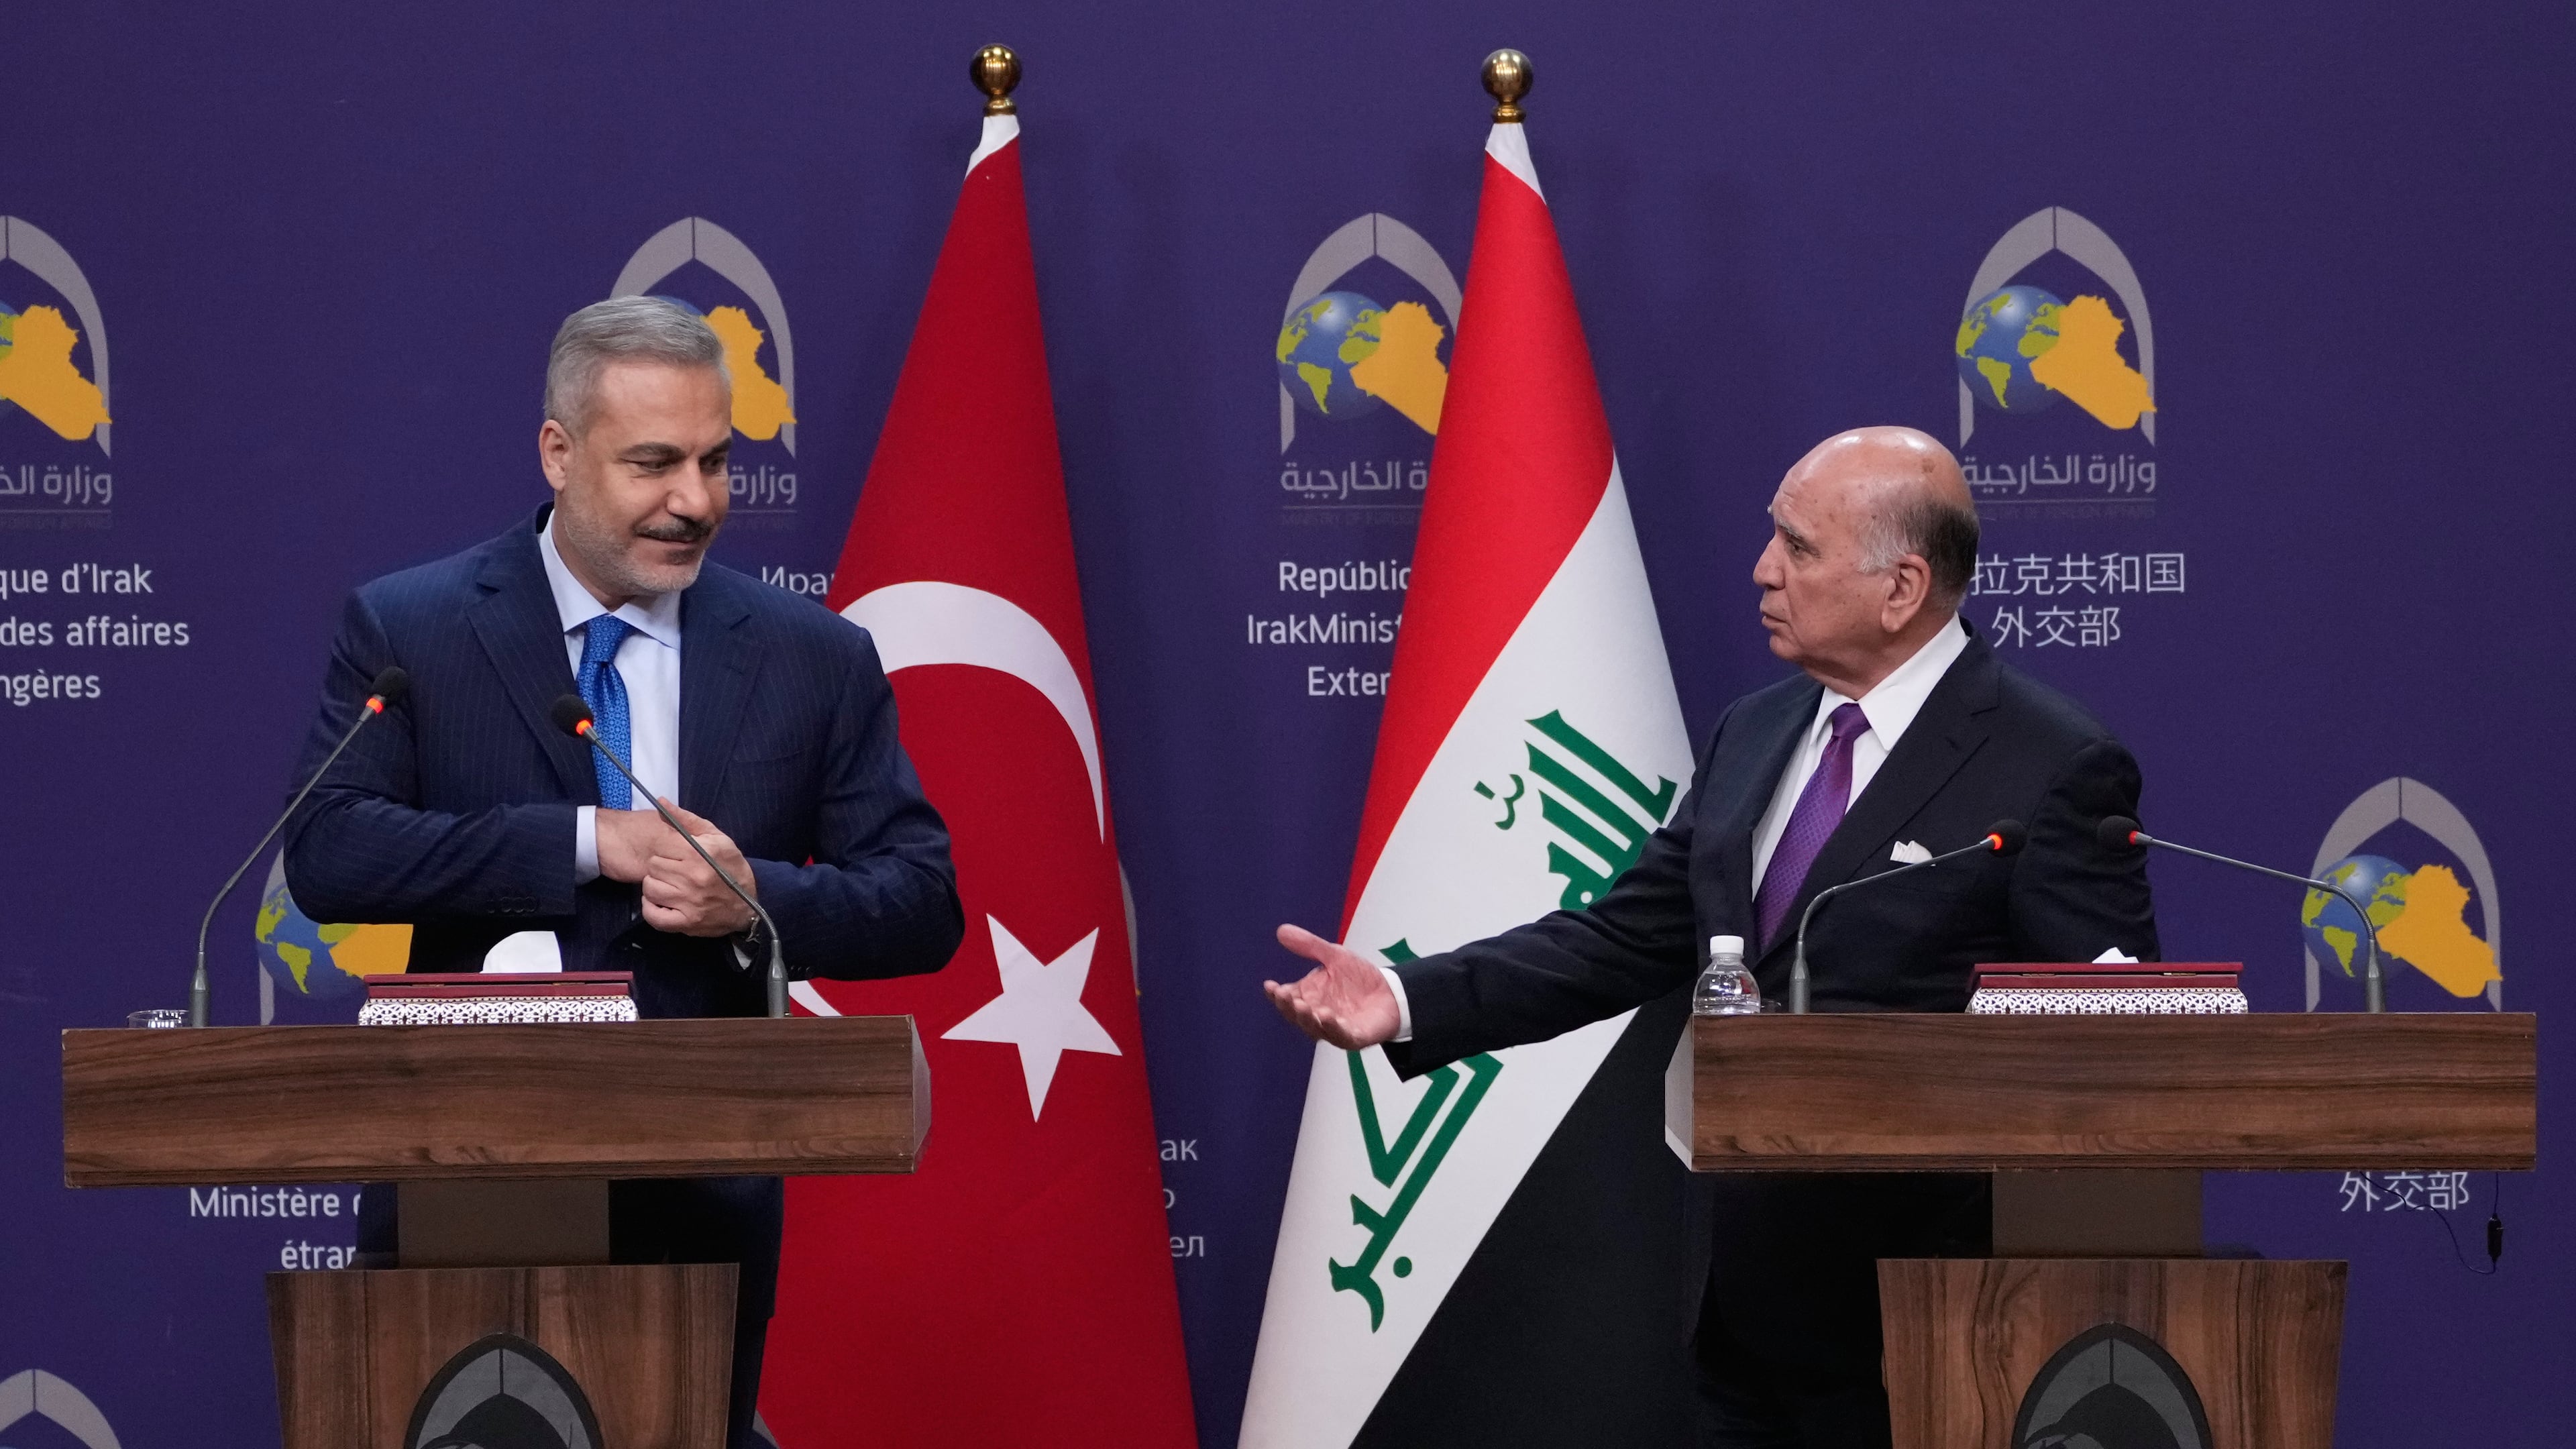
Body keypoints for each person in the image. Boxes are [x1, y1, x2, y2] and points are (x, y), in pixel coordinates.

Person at [1263, 426, 2157, 1448]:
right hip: (1742, 1316)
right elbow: (1621, 939)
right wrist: (1408, 996)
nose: (1764, 570)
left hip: (1937, 1329)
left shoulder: (2052, 764)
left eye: (1800, 548)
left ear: (1902, 588)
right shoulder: (1756, 731)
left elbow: (2111, 1044)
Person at [282, 296, 964, 1449]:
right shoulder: (416, 628)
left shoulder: (813, 656)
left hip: (706, 1200)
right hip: (464, 1175)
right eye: (654, 463)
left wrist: (752, 898)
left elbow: (921, 901)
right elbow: (330, 850)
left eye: (715, 462)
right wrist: (587, 842)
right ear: (558, 452)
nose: (694, 501)